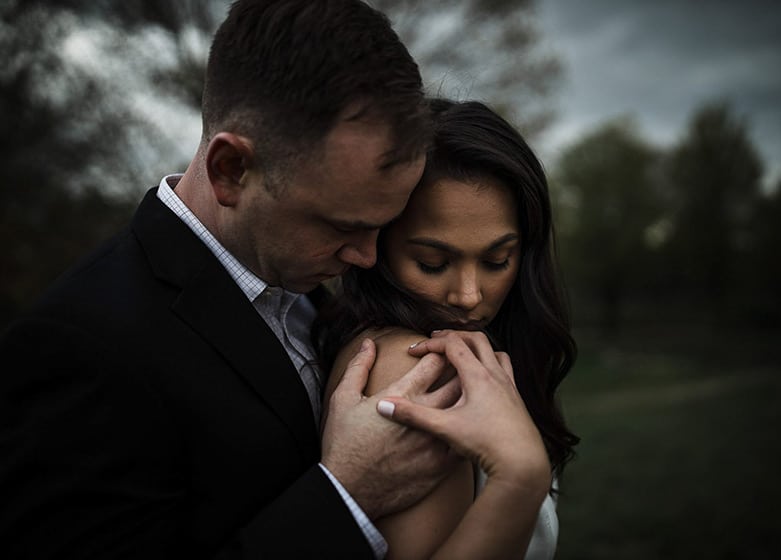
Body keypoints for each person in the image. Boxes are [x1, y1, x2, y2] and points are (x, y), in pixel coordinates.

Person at [0, 1, 507, 557]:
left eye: (383, 226)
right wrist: (347, 492)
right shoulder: (80, 346)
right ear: (231, 170)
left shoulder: (312, 294)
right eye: (342, 225)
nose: (366, 256)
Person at [313, 98, 579, 559]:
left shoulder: (477, 359)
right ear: (379, 247)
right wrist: (520, 479)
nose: (470, 296)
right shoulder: (418, 367)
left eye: (498, 260)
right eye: (432, 263)